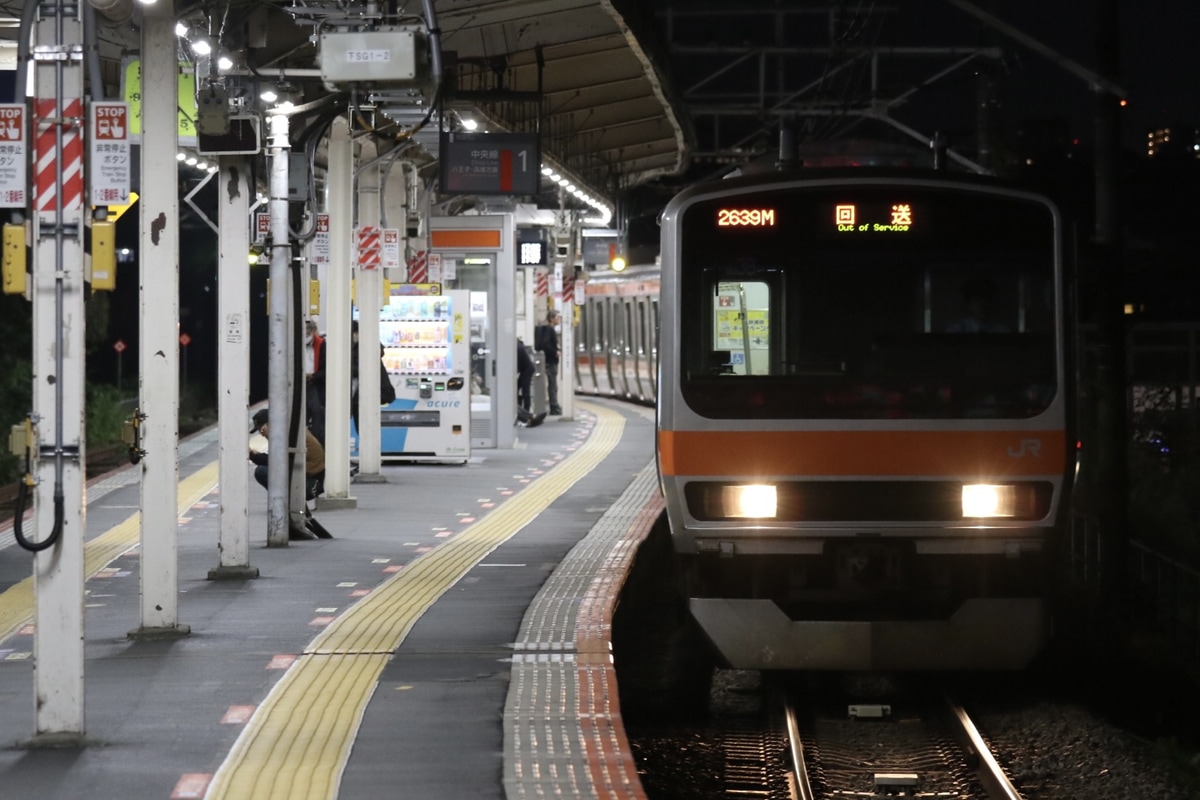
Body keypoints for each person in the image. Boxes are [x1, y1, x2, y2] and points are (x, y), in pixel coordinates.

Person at [248, 408, 326, 501]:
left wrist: (253, 456)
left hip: (310, 483)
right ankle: (284, 500)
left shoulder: (287, 435)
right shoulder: (287, 430)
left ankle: (283, 501)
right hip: (306, 477)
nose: (261, 434)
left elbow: (279, 462)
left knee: (261, 471)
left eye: (262, 430)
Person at [535, 309, 563, 414]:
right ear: (552, 319)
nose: (559, 319)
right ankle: (554, 406)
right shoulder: (549, 329)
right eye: (557, 317)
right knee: (553, 385)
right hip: (550, 361)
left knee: (551, 384)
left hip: (546, 360)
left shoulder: (544, 328)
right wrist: (555, 352)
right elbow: (546, 344)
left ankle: (554, 405)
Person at [305, 320, 326, 443]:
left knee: (318, 418)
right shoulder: (293, 343)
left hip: (315, 386)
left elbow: (327, 369)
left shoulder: (321, 345)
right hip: (300, 387)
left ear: (313, 332)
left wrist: (313, 376)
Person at [516, 339, 544, 428]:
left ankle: (527, 413)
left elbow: (517, 365)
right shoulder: (518, 346)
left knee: (525, 391)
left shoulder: (516, 348)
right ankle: (528, 414)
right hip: (527, 369)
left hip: (526, 370)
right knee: (522, 391)